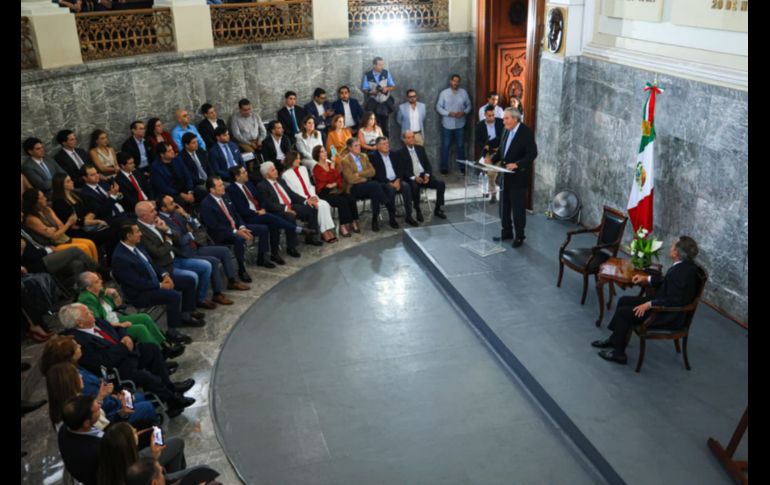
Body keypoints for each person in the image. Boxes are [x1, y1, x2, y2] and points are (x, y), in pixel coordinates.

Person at [59, 304, 196, 413]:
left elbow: (118, 329)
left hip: (128, 353)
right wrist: (124, 347)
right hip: (117, 369)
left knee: (151, 349)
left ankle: (170, 388)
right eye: (88, 313)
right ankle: (172, 402)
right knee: (145, 376)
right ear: (80, 323)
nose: (92, 313)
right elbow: (104, 361)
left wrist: (126, 336)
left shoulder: (96, 322)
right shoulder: (79, 341)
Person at [591, 237, 702, 364]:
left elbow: (674, 300)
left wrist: (649, 304)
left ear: (676, 253)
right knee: (624, 300)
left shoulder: (680, 272)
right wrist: (647, 279)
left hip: (666, 314)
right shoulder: (685, 266)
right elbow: (667, 281)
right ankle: (615, 339)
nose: (670, 247)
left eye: (673, 246)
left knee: (624, 313)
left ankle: (619, 354)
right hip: (661, 302)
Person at [111, 223, 206, 330]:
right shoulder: (120, 258)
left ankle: (186, 315)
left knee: (189, 281)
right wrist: (160, 285)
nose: (141, 234)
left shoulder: (138, 245)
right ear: (129, 236)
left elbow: (152, 264)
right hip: (140, 293)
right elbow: (136, 283)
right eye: (137, 232)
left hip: (155, 281)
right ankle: (173, 332)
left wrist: (165, 275)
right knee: (173, 296)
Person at [157, 194, 251, 293]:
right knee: (213, 261)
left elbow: (197, 226)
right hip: (184, 254)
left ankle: (232, 282)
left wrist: (186, 215)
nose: (175, 205)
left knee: (224, 251)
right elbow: (180, 241)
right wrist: (189, 233)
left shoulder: (176, 214)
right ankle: (217, 293)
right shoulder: (161, 222)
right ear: (163, 208)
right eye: (171, 203)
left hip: (195, 247)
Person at [134, 201, 218, 310]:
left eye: (154, 209)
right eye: (152, 211)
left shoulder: (156, 222)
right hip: (164, 267)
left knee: (206, 266)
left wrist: (166, 229)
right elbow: (157, 253)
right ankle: (188, 310)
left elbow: (179, 238)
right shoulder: (139, 232)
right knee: (192, 277)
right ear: (143, 216)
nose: (155, 213)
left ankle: (200, 299)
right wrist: (168, 242)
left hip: (176, 258)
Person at [76, 271, 179, 354]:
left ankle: (165, 346)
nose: (101, 281)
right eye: (97, 281)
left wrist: (115, 294)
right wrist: (121, 324)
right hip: (109, 327)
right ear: (88, 288)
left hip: (114, 318)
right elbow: (98, 322)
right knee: (140, 328)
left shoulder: (100, 291)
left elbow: (118, 304)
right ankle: (159, 354)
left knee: (144, 317)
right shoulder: (87, 299)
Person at [225, 166, 313, 262]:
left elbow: (261, 199)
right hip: (248, 217)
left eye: (245, 171)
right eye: (243, 172)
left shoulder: (249, 184)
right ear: (237, 177)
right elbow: (241, 209)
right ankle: (296, 229)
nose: (246, 173)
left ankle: (274, 254)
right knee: (271, 218)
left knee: (273, 224)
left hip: (261, 213)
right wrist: (256, 212)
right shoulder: (232, 190)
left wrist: (262, 208)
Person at [46, 361, 158, 430]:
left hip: (110, 424)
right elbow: (107, 431)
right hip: (114, 437)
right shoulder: (75, 409)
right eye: (77, 375)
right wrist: (122, 413)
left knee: (138, 397)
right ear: (68, 382)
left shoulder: (68, 403)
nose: (81, 376)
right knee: (146, 406)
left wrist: (100, 397)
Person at [199, 176, 275, 279]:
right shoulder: (206, 204)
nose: (223, 187)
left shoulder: (225, 196)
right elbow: (215, 226)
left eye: (222, 184)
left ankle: (262, 258)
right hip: (220, 233)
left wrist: (242, 226)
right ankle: (242, 269)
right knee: (239, 239)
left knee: (263, 229)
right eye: (220, 185)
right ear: (212, 190)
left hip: (235, 227)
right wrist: (236, 231)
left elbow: (235, 214)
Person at [485, 107, 537, 248]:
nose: (503, 121)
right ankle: (506, 231)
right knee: (504, 207)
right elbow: (503, 150)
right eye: (504, 118)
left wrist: (518, 164)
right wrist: (492, 159)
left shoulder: (526, 132)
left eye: (506, 118)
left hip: (518, 177)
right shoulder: (506, 130)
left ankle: (519, 236)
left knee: (518, 208)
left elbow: (532, 153)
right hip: (504, 176)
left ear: (515, 119)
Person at [23, 188, 100, 262]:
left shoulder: (48, 209)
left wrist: (54, 229)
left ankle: (97, 273)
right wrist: (68, 223)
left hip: (64, 238)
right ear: (35, 202)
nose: (45, 198)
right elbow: (53, 237)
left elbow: (61, 226)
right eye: (42, 197)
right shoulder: (31, 219)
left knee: (90, 243)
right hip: (54, 244)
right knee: (84, 248)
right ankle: (91, 272)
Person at [257, 162, 323, 246]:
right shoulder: (262, 186)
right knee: (289, 216)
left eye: (275, 169)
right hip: (278, 210)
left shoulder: (280, 180)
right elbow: (269, 204)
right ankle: (292, 246)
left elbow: (291, 194)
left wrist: (306, 201)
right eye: (272, 170)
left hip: (290, 205)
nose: (276, 171)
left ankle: (311, 237)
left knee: (311, 207)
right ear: (266, 175)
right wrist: (285, 208)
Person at [51, 173, 114, 260]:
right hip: (75, 232)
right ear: (61, 185)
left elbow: (91, 209)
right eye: (68, 181)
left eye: (71, 180)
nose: (72, 182)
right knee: (108, 234)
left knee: (113, 229)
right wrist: (93, 221)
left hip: (86, 225)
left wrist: (87, 218)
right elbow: (73, 222)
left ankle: (108, 260)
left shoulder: (75, 194)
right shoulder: (59, 202)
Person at [339, 138, 396, 232]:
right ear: (349, 148)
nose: (359, 147)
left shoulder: (364, 156)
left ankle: (375, 219)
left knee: (378, 189)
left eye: (359, 145)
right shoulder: (345, 160)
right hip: (354, 188)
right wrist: (363, 178)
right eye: (356, 146)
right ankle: (388, 204)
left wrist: (359, 173)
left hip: (368, 185)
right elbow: (350, 179)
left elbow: (372, 172)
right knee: (375, 185)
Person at [281, 151, 337, 243]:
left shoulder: (303, 169)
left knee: (325, 204)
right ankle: (325, 232)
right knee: (319, 206)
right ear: (292, 160)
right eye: (297, 159)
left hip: (312, 195)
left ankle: (327, 230)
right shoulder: (286, 175)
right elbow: (293, 193)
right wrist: (307, 200)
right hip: (301, 200)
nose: (299, 160)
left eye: (299, 158)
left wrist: (313, 196)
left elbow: (310, 185)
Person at [395, 130, 447, 220]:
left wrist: (427, 175)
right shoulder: (400, 153)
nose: (411, 139)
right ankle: (418, 209)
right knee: (415, 186)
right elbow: (403, 170)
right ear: (404, 140)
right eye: (408, 137)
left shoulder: (420, 149)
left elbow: (427, 164)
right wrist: (414, 178)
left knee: (440, 184)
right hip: (411, 177)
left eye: (412, 137)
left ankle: (438, 209)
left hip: (423, 175)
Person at [369, 137, 418, 227]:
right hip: (383, 182)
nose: (387, 145)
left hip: (396, 180)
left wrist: (398, 180)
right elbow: (376, 173)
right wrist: (389, 183)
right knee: (390, 189)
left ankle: (409, 215)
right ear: (378, 146)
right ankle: (392, 218)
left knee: (406, 187)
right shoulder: (373, 156)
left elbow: (400, 169)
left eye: (387, 143)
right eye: (384, 144)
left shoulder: (394, 154)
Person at [312, 145, 360, 237]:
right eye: (322, 151)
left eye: (325, 151)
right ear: (317, 155)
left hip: (335, 189)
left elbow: (338, 179)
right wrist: (333, 166)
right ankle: (343, 226)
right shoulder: (316, 168)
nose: (325, 152)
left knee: (350, 197)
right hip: (324, 193)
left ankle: (353, 221)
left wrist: (334, 183)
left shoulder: (330, 164)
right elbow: (327, 178)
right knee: (342, 201)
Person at [436, 74, 472, 175]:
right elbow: (438, 107)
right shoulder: (444, 93)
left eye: (458, 81)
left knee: (460, 146)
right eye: (454, 81)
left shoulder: (463, 93)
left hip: (460, 124)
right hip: (447, 124)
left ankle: (462, 168)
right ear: (450, 81)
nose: (456, 83)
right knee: (445, 146)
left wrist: (464, 112)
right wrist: (448, 113)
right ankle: (444, 168)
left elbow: (469, 105)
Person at [149, 142, 197, 210]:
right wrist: (181, 194)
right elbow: (163, 187)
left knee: (201, 192)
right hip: (171, 193)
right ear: (162, 154)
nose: (173, 152)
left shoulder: (178, 159)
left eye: (172, 149)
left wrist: (190, 191)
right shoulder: (155, 168)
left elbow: (188, 176)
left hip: (186, 189)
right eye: (169, 151)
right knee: (180, 201)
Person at [474, 105, 505, 203]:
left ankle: (500, 191)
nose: (491, 118)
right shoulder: (480, 125)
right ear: (485, 115)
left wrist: (500, 146)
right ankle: (493, 195)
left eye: (493, 115)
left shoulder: (500, 122)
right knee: (490, 174)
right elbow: (477, 140)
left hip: (500, 152)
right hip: (488, 152)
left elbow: (505, 135)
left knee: (495, 174)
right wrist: (485, 146)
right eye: (489, 116)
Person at [362, 56, 396, 137]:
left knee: (385, 126)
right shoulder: (368, 75)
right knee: (374, 124)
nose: (382, 66)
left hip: (385, 102)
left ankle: (386, 143)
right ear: (374, 65)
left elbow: (393, 86)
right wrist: (371, 92)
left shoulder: (386, 73)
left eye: (382, 64)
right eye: (380, 65)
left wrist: (387, 88)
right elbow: (364, 89)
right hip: (374, 102)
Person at [178, 132, 212, 201]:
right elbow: (188, 175)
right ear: (186, 145)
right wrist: (203, 181)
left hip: (209, 180)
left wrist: (213, 178)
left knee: (226, 187)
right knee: (212, 192)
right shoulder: (181, 157)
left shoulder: (200, 151)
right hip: (197, 184)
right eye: (193, 143)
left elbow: (209, 167)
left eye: (196, 142)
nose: (197, 144)